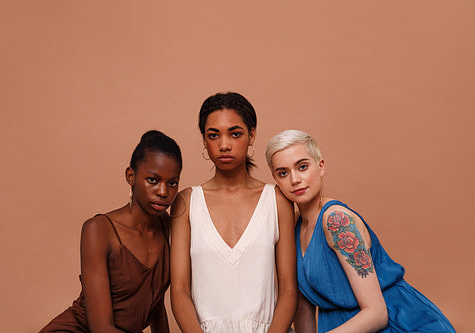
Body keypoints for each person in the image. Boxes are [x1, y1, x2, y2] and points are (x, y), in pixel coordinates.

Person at [265, 129, 456, 333]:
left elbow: (377, 314)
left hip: (399, 324)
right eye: (283, 173)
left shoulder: (337, 221)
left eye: (302, 167)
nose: (294, 179)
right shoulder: (292, 227)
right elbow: (303, 309)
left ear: (320, 167)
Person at [170, 92, 298, 333]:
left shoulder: (277, 200)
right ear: (204, 140)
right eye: (213, 135)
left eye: (235, 133)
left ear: (251, 135)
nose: (224, 144)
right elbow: (179, 290)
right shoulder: (186, 202)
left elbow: (289, 290)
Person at [40, 130, 182, 333]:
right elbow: (101, 328)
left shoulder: (170, 228)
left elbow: (155, 304)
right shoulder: (98, 230)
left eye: (172, 183)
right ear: (130, 176)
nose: (163, 192)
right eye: (152, 180)